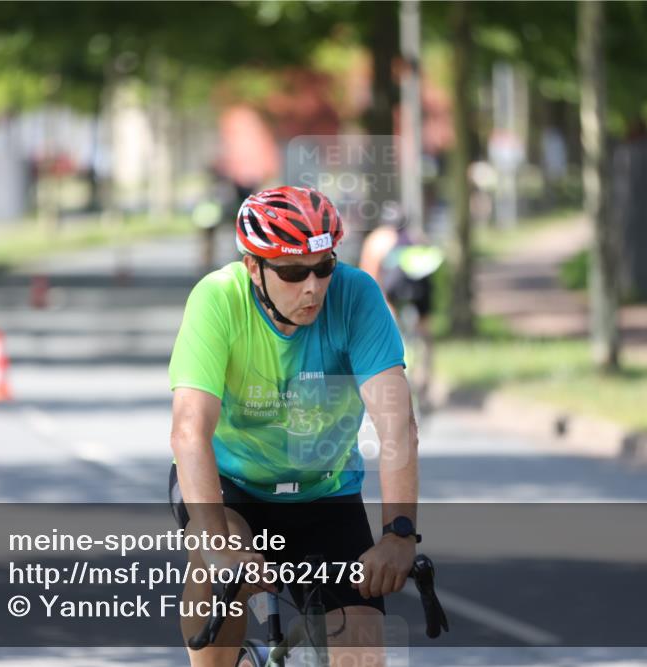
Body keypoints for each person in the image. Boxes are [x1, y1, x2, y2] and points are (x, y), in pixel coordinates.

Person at [168, 186, 420, 667]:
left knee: (362, 655)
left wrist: (399, 533)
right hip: (232, 487)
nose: (312, 286)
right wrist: (218, 548)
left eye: (323, 267)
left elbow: (397, 424)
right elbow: (188, 433)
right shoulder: (218, 299)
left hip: (324, 492)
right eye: (291, 272)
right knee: (217, 565)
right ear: (253, 268)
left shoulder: (356, 295)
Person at [359, 202, 443, 415]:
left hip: (394, 290)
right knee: (425, 336)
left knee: (390, 331)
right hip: (421, 291)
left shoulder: (377, 239)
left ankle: (394, 380)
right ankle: (425, 381)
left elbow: (368, 278)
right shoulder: (417, 236)